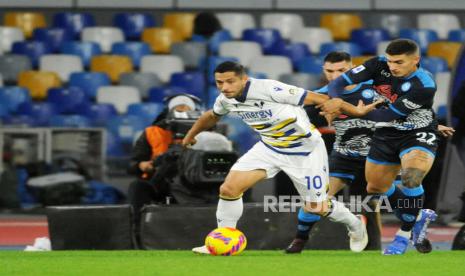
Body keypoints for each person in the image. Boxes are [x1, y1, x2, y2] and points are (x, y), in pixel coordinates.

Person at [183, 61, 379, 254]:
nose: (225, 87)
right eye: (219, 83)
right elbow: (211, 116)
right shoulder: (225, 99)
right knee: (229, 189)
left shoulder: (270, 89)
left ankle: (355, 224)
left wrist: (356, 111)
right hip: (270, 147)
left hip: (305, 150)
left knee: (316, 207)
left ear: (244, 79)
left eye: (230, 81)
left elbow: (320, 98)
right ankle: (221, 240)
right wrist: (191, 135)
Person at [319, 39, 451, 255]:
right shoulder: (377, 64)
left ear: (415, 60)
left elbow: (387, 114)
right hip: (385, 134)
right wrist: (336, 101)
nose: (392, 67)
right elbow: (335, 85)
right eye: (390, 61)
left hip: (416, 132)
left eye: (399, 62)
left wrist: (346, 107)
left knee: (411, 176)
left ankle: (403, 235)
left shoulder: (424, 85)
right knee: (375, 188)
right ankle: (418, 216)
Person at [285, 51, 380, 253]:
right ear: (323, 70)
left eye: (341, 70)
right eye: (330, 71)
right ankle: (300, 240)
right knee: (316, 198)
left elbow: (404, 111)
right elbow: (295, 119)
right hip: (343, 156)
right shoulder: (320, 96)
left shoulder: (375, 89)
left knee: (375, 203)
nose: (335, 76)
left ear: (353, 68)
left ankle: (378, 246)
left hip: (378, 156)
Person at [127, 94, 196, 247]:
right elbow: (133, 164)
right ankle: (137, 236)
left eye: (187, 109)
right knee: (138, 187)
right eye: (179, 108)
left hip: (195, 182)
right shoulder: (151, 132)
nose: (183, 111)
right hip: (160, 181)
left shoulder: (206, 129)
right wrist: (142, 165)